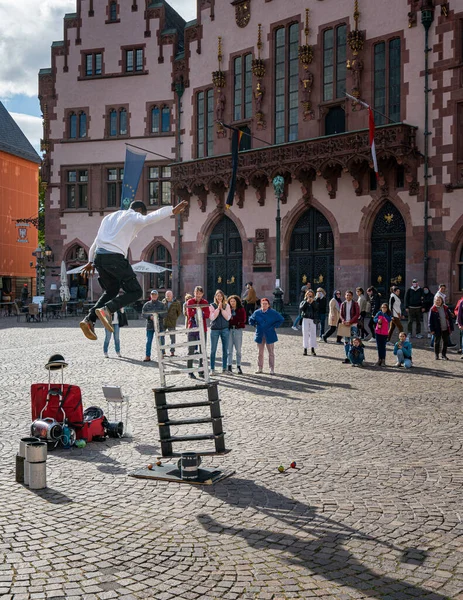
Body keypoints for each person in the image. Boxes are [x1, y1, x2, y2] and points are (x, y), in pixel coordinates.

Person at [79, 199, 187, 340]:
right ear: (139, 210)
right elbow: (150, 218)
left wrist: (90, 261)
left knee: (111, 290)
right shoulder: (134, 216)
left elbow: (96, 241)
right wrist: (172, 210)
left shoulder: (109, 217)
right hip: (115, 258)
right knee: (136, 291)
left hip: (99, 258)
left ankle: (89, 319)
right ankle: (107, 309)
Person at [249, 298, 284, 375]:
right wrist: (255, 325)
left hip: (270, 334)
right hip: (260, 334)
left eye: (265, 304)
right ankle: (260, 368)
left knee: (271, 352)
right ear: (261, 304)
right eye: (263, 304)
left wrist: (275, 326)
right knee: (260, 353)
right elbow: (251, 319)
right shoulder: (257, 312)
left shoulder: (273, 312)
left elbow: (281, 319)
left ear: (268, 305)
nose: (264, 305)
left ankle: (271, 368)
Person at [186, 286, 210, 379]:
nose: (198, 295)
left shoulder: (205, 302)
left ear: (202, 294)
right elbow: (189, 314)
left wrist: (196, 310)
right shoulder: (190, 302)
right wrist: (199, 311)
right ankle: (190, 371)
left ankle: (201, 370)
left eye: (200, 293)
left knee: (202, 350)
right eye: (196, 293)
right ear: (194, 293)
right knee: (191, 349)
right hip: (192, 328)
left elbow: (207, 314)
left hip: (202, 328)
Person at [209, 290, 231, 375]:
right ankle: (212, 369)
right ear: (215, 297)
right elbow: (212, 317)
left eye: (221, 296)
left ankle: (224, 368)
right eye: (217, 296)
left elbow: (228, 318)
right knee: (213, 350)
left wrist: (222, 309)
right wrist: (218, 308)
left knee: (225, 350)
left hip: (225, 329)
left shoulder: (227, 306)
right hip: (214, 330)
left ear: (223, 297)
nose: (219, 297)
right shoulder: (211, 306)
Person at [142, 290, 166, 362]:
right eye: (152, 295)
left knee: (161, 341)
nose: (154, 296)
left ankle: (162, 355)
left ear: (157, 296)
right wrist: (150, 317)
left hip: (160, 326)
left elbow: (165, 313)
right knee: (149, 341)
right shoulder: (146, 305)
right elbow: (143, 314)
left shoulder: (162, 305)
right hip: (150, 326)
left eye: (155, 295)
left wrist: (157, 316)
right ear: (150, 296)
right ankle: (147, 356)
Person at [429, 295, 453, 360]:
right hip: (437, 329)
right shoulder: (433, 309)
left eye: (439, 300)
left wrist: (451, 327)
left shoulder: (446, 308)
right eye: (437, 300)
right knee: (437, 342)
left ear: (442, 301)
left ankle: (443, 355)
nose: (438, 301)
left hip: (445, 328)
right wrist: (431, 329)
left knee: (445, 342)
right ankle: (436, 355)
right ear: (435, 301)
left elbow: (450, 318)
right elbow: (430, 320)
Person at [227, 295, 246, 374]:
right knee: (229, 350)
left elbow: (243, 319)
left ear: (237, 302)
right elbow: (226, 319)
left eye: (234, 301)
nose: (232, 303)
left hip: (238, 330)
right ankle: (229, 366)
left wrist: (235, 320)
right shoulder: (228, 310)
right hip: (229, 330)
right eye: (231, 301)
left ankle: (238, 366)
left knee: (238, 349)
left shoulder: (241, 309)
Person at [340, 290, 360, 364]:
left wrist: (350, 322)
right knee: (346, 341)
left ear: (352, 296)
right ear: (345, 296)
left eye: (349, 295)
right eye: (347, 295)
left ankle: (353, 357)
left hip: (353, 324)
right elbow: (341, 314)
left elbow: (357, 314)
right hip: (345, 325)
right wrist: (343, 321)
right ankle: (347, 357)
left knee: (354, 341)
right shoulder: (343, 304)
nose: (348, 296)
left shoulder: (355, 304)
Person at [162, 290, 182, 357]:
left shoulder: (177, 303)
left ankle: (172, 351)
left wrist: (174, 317)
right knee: (161, 336)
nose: (168, 297)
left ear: (172, 296)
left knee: (172, 337)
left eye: (169, 296)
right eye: (167, 296)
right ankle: (162, 351)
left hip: (172, 322)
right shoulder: (163, 301)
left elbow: (179, 312)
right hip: (164, 321)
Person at [300, 289, 319, 356]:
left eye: (311, 294)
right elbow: (301, 308)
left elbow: (317, 309)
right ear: (306, 295)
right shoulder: (303, 301)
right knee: (305, 333)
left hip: (312, 319)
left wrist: (312, 302)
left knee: (313, 334)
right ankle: (305, 348)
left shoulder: (315, 301)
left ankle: (312, 349)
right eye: (308, 294)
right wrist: (307, 302)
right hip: (305, 318)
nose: (310, 295)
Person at [374, 302, 392, 367]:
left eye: (384, 307)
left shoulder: (388, 314)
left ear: (387, 308)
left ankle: (383, 360)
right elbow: (374, 319)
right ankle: (379, 359)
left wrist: (384, 315)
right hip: (378, 332)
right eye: (382, 307)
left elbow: (388, 320)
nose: (383, 309)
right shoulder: (379, 313)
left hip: (384, 333)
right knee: (379, 346)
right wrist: (377, 320)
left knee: (383, 347)